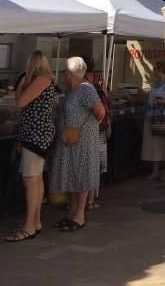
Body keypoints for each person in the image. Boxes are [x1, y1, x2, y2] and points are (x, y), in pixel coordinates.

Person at [49, 56, 105, 231]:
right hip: (69, 141)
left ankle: (79, 216)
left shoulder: (86, 89)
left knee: (82, 175)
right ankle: (71, 213)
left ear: (71, 72)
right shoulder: (69, 90)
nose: (64, 74)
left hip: (83, 141)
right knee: (72, 175)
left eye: (65, 71)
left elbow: (100, 112)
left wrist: (86, 126)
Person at [5, 51, 56, 242]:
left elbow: (20, 102)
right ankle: (35, 222)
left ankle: (29, 226)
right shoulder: (45, 80)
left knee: (30, 180)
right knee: (37, 179)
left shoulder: (41, 80)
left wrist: (20, 84)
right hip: (38, 135)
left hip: (36, 136)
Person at [141, 60, 165, 181]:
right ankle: (155, 171)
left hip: (164, 118)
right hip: (152, 117)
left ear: (160, 70)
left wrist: (163, 101)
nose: (154, 73)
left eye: (155, 70)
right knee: (154, 145)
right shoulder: (156, 84)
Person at [84, 57, 110, 210]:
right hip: (101, 127)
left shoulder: (83, 84)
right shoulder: (99, 79)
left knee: (88, 164)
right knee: (96, 164)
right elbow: (107, 96)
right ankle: (92, 199)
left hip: (91, 128)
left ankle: (88, 199)